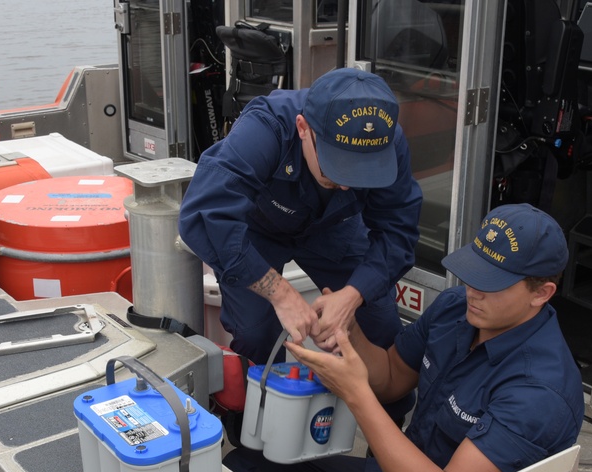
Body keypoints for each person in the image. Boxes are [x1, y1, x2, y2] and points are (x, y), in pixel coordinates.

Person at [223, 203, 585, 472]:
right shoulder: (455, 308)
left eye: (492, 283)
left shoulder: (540, 391)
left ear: (542, 293)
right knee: (248, 465)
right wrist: (348, 331)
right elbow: (393, 376)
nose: (474, 290)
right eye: (473, 272)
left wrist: (354, 392)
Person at [178, 68, 423, 371]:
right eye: (337, 167)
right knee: (255, 334)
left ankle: (387, 415)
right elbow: (204, 214)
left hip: (335, 226)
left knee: (381, 323)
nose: (347, 185)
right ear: (303, 128)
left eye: (362, 172)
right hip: (258, 232)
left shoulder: (387, 140)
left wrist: (351, 296)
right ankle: (259, 413)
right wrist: (281, 295)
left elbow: (398, 229)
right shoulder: (265, 128)